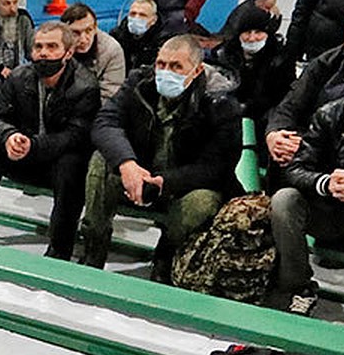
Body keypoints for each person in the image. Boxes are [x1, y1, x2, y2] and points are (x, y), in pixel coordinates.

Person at [81, 35, 241, 280]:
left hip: (184, 187)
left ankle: (165, 258)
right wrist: (127, 164)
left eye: (177, 67)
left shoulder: (221, 104)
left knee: (201, 202)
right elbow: (105, 122)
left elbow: (217, 166)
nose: (166, 72)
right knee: (100, 160)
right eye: (161, 64)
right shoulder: (138, 83)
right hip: (137, 176)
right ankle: (94, 247)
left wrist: (166, 182)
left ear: (197, 70)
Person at [0, 22, 99, 260]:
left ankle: (60, 245)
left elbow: (76, 136)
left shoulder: (86, 87)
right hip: (24, 153)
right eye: (38, 47)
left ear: (68, 52)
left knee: (72, 163)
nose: (43, 53)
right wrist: (9, 136)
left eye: (52, 47)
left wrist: (33, 145)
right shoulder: (19, 77)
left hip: (57, 160)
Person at [269, 62, 344, 326]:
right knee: (285, 200)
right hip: (328, 210)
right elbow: (296, 168)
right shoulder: (329, 115)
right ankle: (298, 288)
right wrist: (325, 183)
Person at [265, 4, 344, 172]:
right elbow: (290, 105)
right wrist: (275, 134)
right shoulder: (327, 62)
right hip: (315, 147)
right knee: (284, 150)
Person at [207, 3, 293, 120]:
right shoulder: (223, 56)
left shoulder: (280, 61)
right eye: (247, 32)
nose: (252, 38)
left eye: (258, 32)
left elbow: (283, 100)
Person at [60, 1, 127, 99]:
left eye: (88, 30)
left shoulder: (111, 50)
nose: (83, 39)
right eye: (75, 33)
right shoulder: (54, 47)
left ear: (95, 28)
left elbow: (110, 97)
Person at [107, 0, 161, 74]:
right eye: (133, 14)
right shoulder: (116, 35)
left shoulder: (161, 40)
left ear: (153, 20)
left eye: (142, 15)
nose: (136, 18)